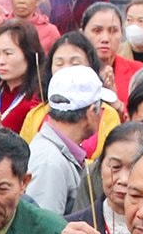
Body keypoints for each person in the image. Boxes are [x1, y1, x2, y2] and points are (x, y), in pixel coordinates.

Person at [27, 65, 105, 219]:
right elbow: (44, 229)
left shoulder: (55, 155)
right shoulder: (49, 163)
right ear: (91, 112)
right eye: (101, 107)